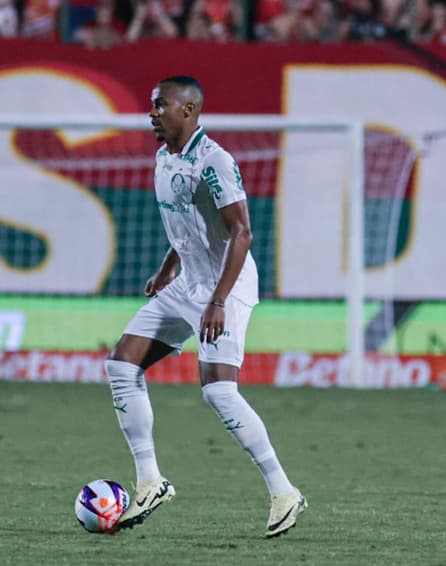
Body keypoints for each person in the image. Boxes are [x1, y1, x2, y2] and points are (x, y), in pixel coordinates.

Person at [105, 76, 306, 538]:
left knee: (219, 391)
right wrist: (168, 267)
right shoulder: (164, 157)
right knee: (121, 364)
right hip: (188, 283)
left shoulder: (214, 161)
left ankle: (284, 491)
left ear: (188, 110)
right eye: (152, 105)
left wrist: (217, 301)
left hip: (225, 287)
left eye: (161, 105)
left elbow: (242, 232)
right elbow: (189, 225)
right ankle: (150, 482)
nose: (152, 113)